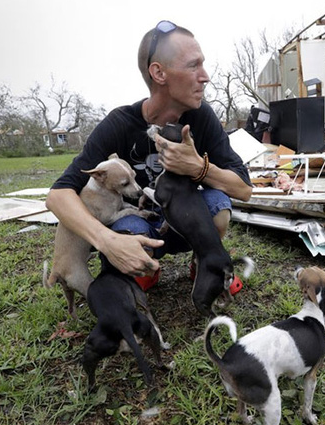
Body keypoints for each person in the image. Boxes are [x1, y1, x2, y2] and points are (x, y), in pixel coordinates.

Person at [45, 20, 252, 292]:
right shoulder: (119, 124)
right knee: (126, 229)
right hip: (136, 220)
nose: (205, 76)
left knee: (218, 206)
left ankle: (202, 260)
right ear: (159, 73)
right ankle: (143, 268)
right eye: (193, 65)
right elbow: (57, 196)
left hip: (183, 217)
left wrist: (199, 168)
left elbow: (244, 190)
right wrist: (106, 240)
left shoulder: (202, 117)